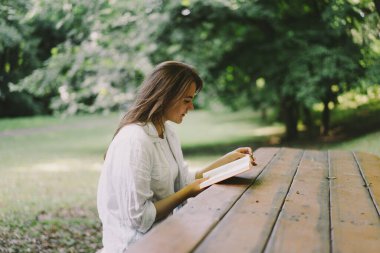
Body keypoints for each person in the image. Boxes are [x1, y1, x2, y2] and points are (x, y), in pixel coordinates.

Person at [97, 61, 256, 252]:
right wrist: (188, 191)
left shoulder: (167, 132)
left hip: (166, 236)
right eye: (186, 100)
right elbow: (140, 218)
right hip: (135, 246)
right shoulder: (135, 140)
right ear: (166, 97)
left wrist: (227, 161)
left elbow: (182, 182)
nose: (191, 107)